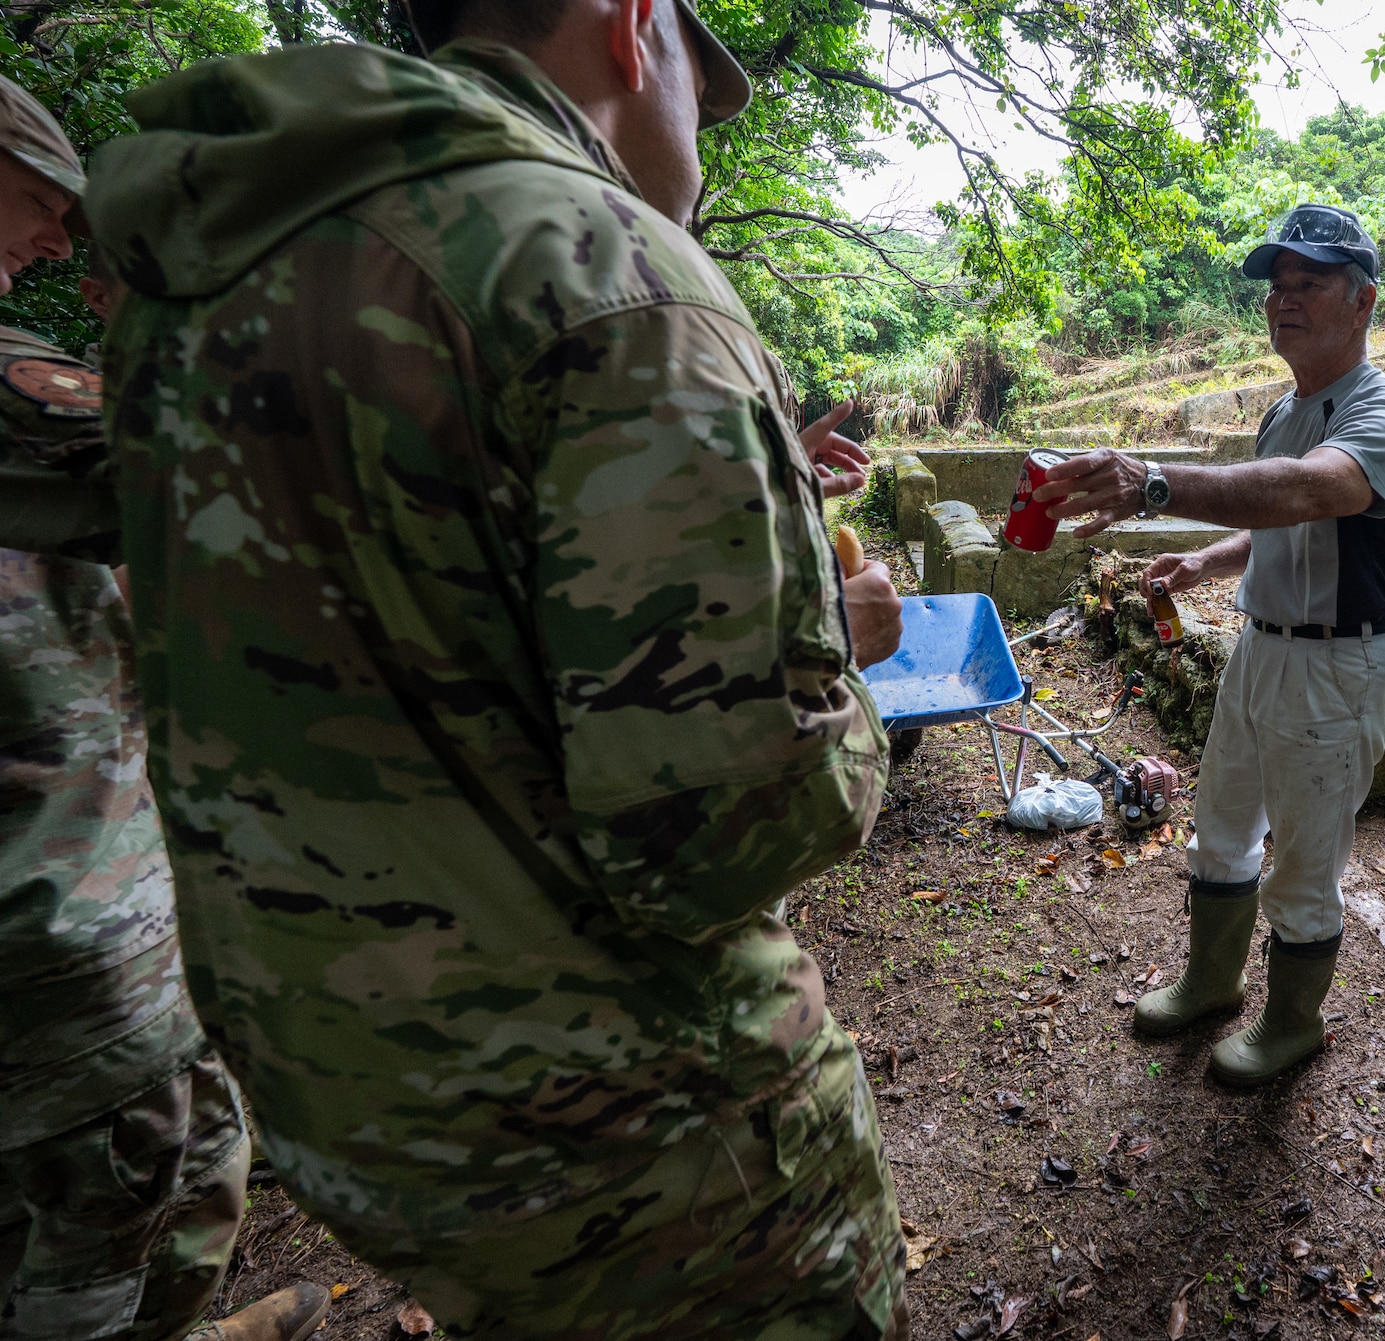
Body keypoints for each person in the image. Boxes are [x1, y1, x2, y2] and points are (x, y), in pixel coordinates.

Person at [75, 1, 907, 1335]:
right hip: (630, 1137)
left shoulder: (207, 268)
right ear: (635, 26)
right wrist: (842, 653)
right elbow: (721, 832)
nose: (706, 133)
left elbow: (400, 584)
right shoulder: (610, 272)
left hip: (347, 1088)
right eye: (709, 83)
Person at [0, 77, 326, 1341]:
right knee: (104, 1209)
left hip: (94, 872)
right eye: (36, 202)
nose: (52, 244)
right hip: (59, 914)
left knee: (174, 1171)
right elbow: (259, 480)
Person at [1035, 204, 1385, 1087]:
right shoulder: (1284, 411)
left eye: (1310, 282)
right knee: (1221, 826)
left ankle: (1293, 1021)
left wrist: (1156, 484)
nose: (1284, 299)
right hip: (1262, 652)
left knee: (1306, 859)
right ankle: (1211, 981)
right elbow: (1277, 520)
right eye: (1276, 285)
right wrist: (1207, 560)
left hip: (1336, 666)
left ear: (1362, 302)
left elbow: (1308, 491)